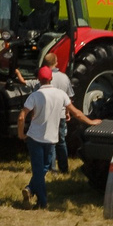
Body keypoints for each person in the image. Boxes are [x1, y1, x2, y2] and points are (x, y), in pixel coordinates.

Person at [17, 65, 93, 209]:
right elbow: (76, 113)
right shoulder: (61, 94)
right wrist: (91, 122)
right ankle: (41, 201)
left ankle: (32, 191)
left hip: (34, 139)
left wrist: (21, 134)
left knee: (40, 170)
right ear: (51, 78)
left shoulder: (34, 95)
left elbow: (21, 117)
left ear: (39, 80)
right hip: (51, 139)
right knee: (44, 168)